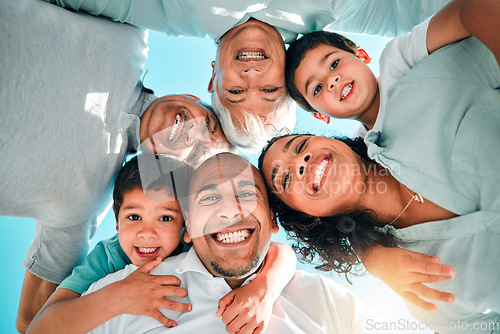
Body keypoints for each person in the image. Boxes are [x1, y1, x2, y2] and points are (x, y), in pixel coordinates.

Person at [0, 1, 230, 332]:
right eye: (208, 124)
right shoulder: (130, 32)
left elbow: (29, 322)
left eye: (198, 153)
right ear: (192, 97)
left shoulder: (85, 208)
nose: (193, 134)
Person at [258, 19, 500, 332]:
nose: (300, 162)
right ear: (308, 217)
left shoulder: (416, 86)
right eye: (286, 180)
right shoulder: (422, 297)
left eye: (300, 145)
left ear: (329, 137)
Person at [43, 0, 451, 152]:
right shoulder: (334, 8)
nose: (252, 73)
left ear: (212, 78)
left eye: (236, 90)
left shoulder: (170, 11)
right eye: (270, 89)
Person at [79, 152, 375, 333]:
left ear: (273, 220)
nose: (230, 210)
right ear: (189, 227)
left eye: (246, 194)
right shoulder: (124, 293)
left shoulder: (328, 301)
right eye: (209, 198)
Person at [27, 153, 296, 333]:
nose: (147, 233)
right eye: (134, 216)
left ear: (186, 226)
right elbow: (38, 325)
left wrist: (265, 289)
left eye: (166, 218)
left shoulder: (200, 246)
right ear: (117, 221)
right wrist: (118, 297)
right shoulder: (109, 256)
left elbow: (278, 251)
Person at [284, 0, 500, 138]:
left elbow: (469, 8)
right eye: (317, 88)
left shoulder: (398, 59)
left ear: (363, 55)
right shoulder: (362, 153)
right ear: (321, 116)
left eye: (333, 64)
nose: (331, 81)